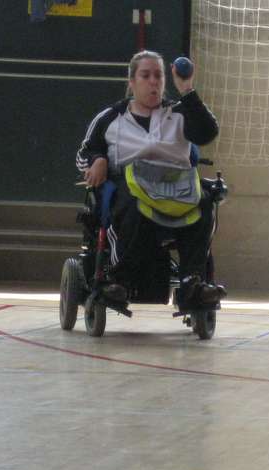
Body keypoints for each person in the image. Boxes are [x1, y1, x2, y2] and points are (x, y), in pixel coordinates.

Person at [76, 50, 224, 305]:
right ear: (132, 82)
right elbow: (85, 151)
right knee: (129, 203)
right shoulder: (111, 118)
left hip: (176, 186)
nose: (153, 81)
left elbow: (207, 132)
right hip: (132, 186)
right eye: (145, 75)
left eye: (158, 75)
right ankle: (118, 279)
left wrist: (187, 91)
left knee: (205, 201)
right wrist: (97, 159)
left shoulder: (179, 113)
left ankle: (192, 282)